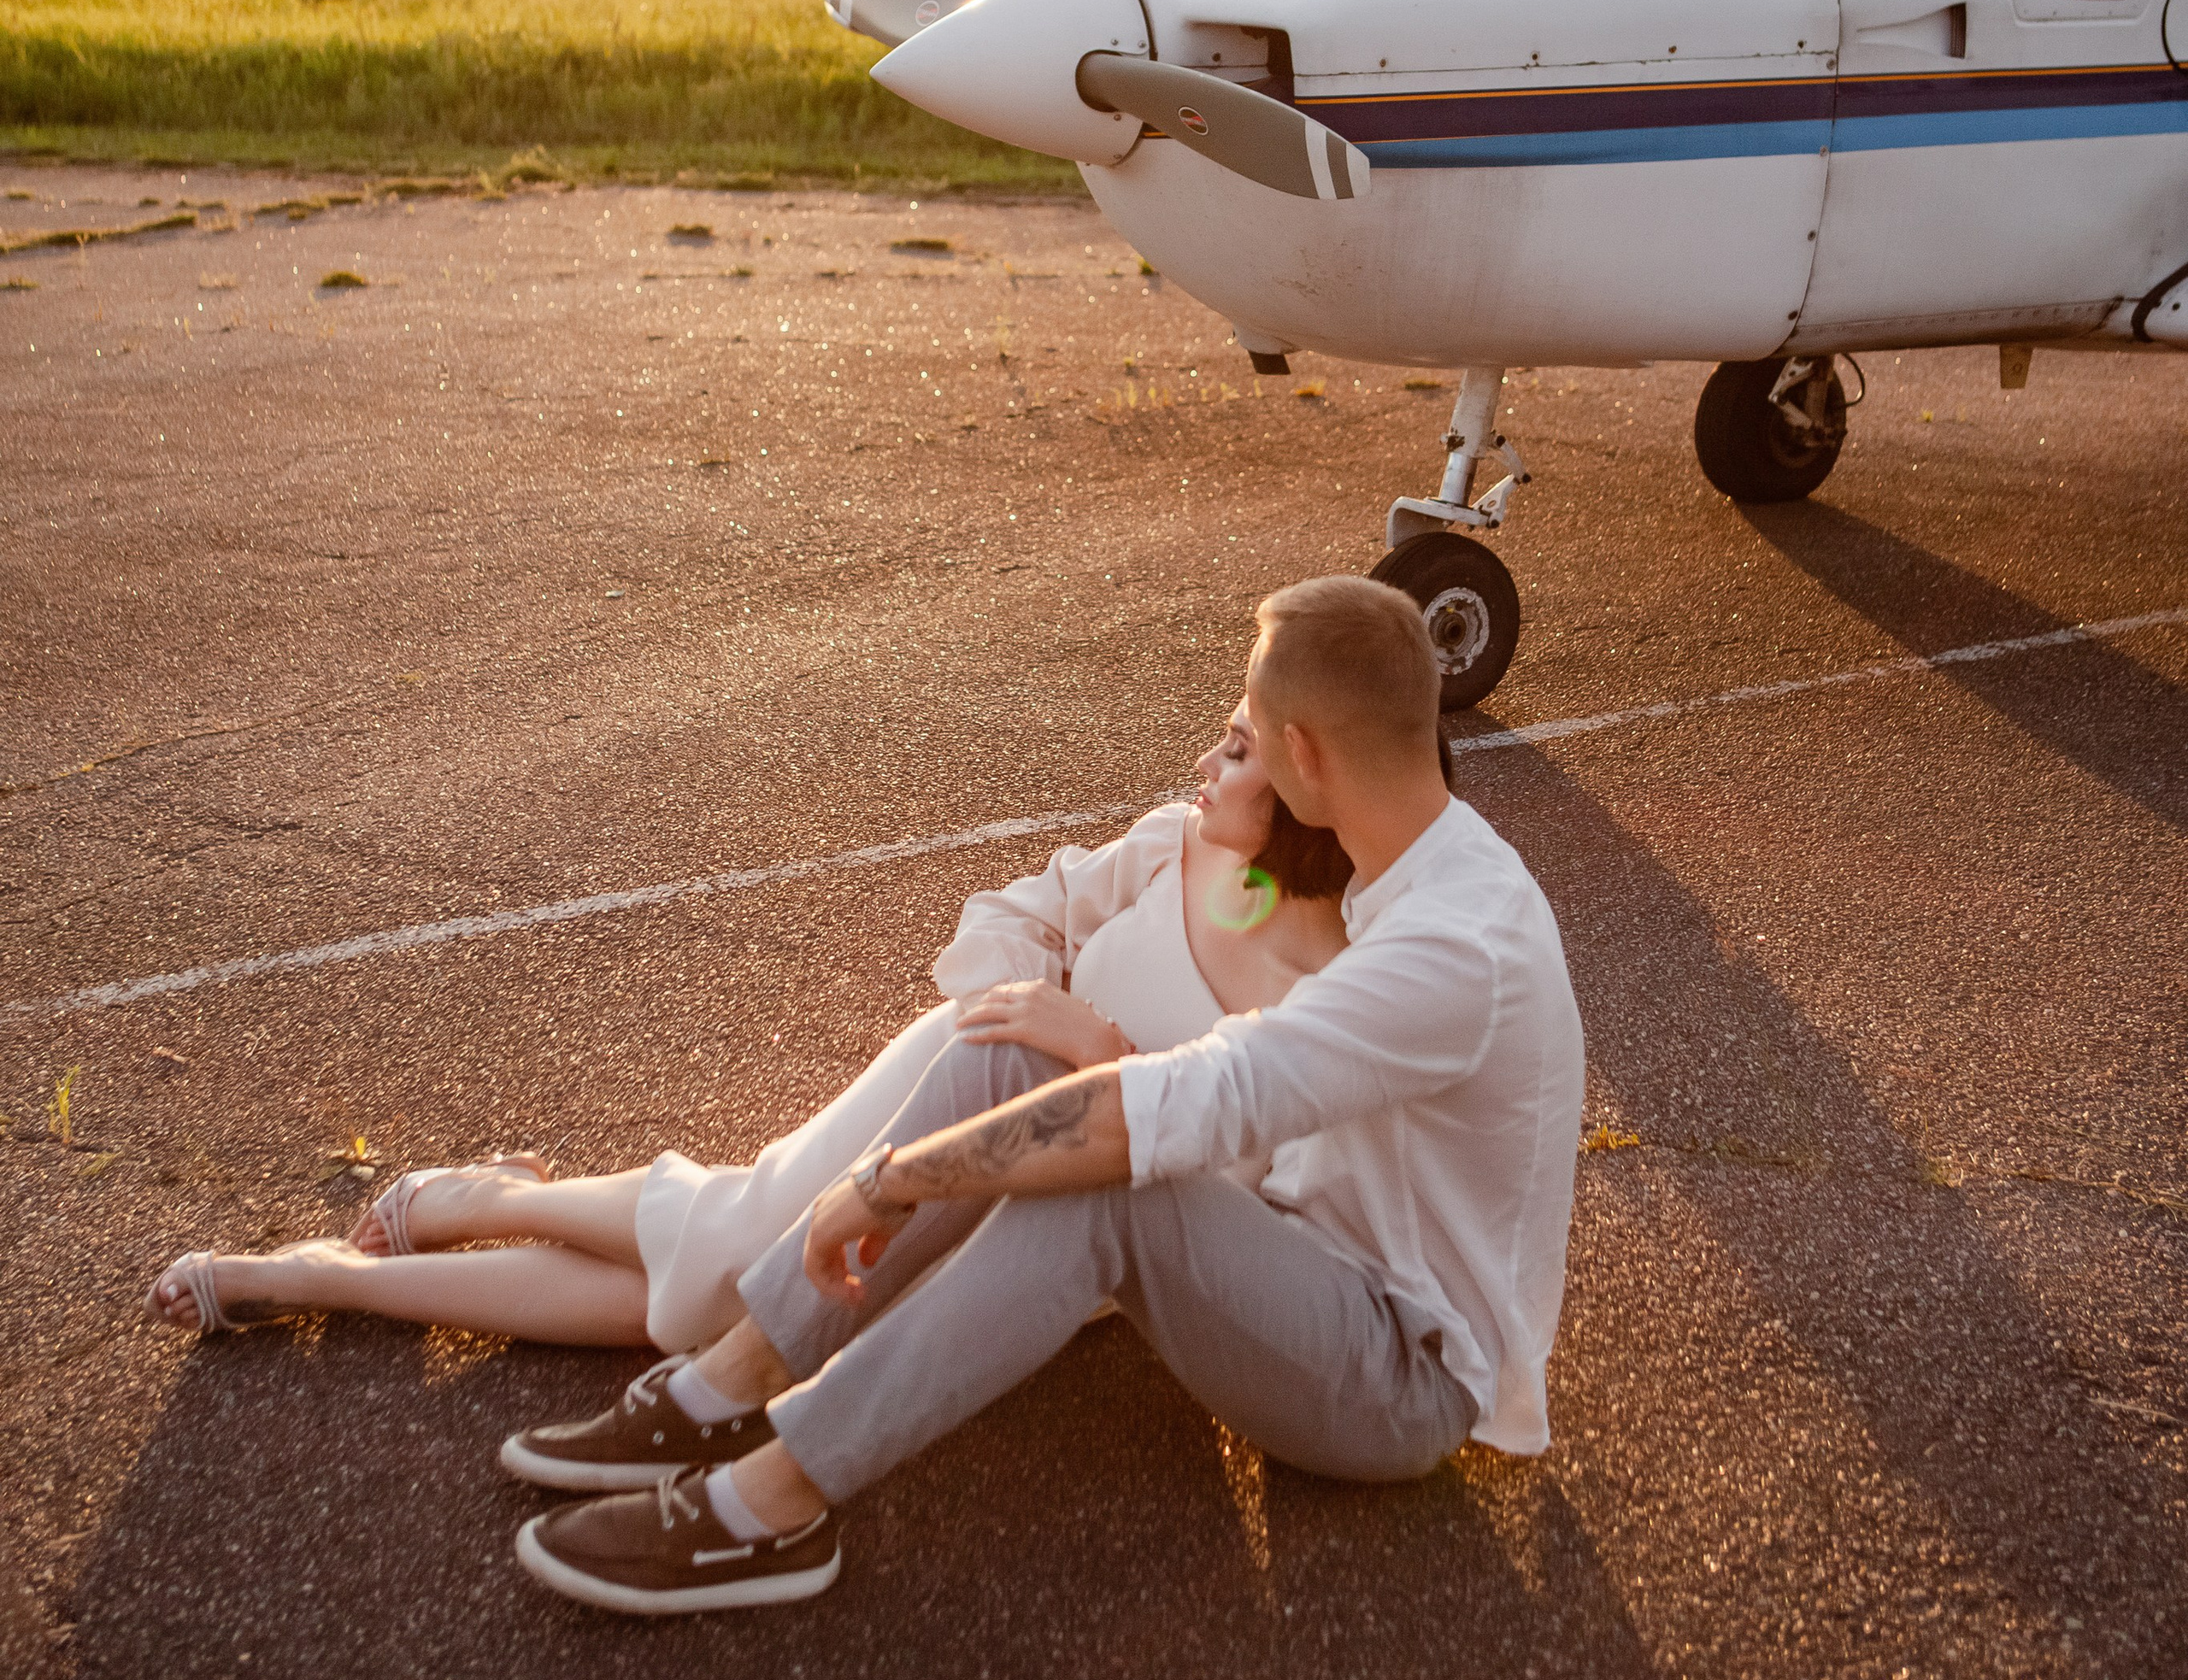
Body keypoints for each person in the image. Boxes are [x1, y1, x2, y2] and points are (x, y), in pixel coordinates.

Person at [509, 577, 1587, 1617]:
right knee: (1015, 1058)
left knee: (1116, 1177)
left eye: (1250, 728)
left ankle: (772, 1504)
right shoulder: (1402, 865)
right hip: (1288, 1264)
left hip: (1398, 1374)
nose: (1224, 749)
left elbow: (1192, 1101)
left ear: (1302, 754)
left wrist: (891, 1181)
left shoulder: (1455, 947)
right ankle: (726, 1385)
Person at [144, 696, 1352, 1360]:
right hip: (952, 1087)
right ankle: (396, 1246)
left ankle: (431, 1226)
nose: (1205, 758)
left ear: (1307, 784)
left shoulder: (1340, 1001)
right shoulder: (1174, 842)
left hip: (1052, 1211)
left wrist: (1100, 1053)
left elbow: (1234, 1206)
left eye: (1238, 751)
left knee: (708, 1305)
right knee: (736, 1279)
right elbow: (1007, 918)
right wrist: (1025, 1014)